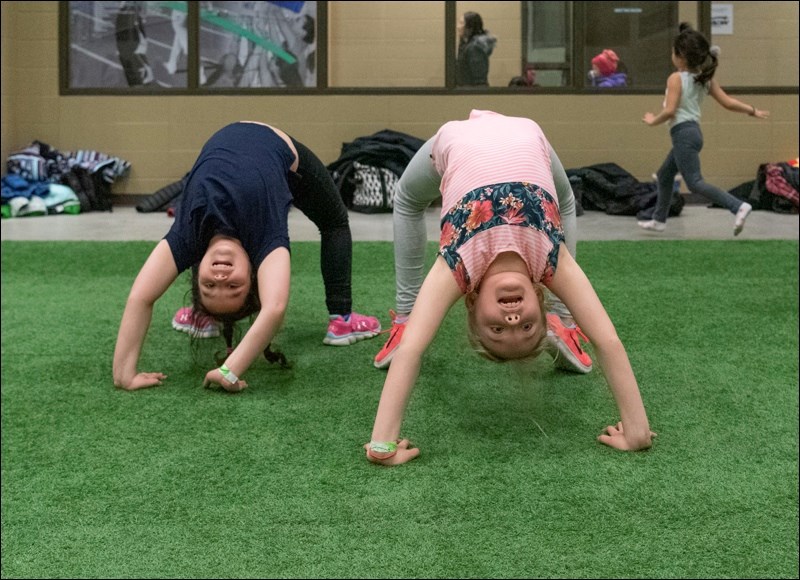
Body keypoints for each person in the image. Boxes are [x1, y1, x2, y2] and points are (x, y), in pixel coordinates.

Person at [365, 110, 654, 465]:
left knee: (408, 199)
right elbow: (608, 340)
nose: (513, 317)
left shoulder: (459, 265)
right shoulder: (549, 259)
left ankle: (405, 315)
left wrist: (382, 446)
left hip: (457, 137)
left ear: (470, 300)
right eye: (527, 325)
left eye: (497, 328)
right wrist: (637, 431)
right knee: (566, 204)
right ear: (539, 294)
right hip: (528, 135)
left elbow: (411, 351)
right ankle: (563, 321)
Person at [113, 121, 381, 392]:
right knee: (334, 221)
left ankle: (203, 314)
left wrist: (124, 374)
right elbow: (274, 308)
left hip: (231, 143)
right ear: (254, 276)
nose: (220, 276)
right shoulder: (266, 238)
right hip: (282, 155)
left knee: (204, 243)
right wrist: (230, 371)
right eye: (233, 286)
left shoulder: (186, 238)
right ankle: (342, 321)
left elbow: (141, 297)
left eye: (210, 286)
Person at [639, 23, 769, 235]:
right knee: (664, 175)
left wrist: (653, 120)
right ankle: (658, 220)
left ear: (680, 56)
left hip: (683, 135)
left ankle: (738, 206)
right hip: (693, 134)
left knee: (695, 183)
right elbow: (727, 102)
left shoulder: (676, 78)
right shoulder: (703, 79)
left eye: (673, 52)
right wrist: (751, 110)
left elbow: (670, 111)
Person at [456, 12, 497, 87]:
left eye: (461, 23)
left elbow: (480, 80)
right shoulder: (466, 45)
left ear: (470, 27)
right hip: (465, 92)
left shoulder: (475, 49)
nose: (458, 27)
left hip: (471, 94)